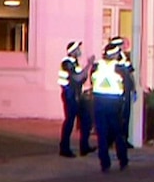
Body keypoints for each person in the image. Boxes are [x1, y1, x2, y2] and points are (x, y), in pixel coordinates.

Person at [91, 42, 128, 172]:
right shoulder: (119, 67)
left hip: (98, 101)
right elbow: (126, 81)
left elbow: (92, 80)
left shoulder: (96, 65)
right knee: (118, 133)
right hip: (114, 102)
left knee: (102, 133)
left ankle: (104, 163)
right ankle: (122, 160)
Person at [57, 40, 96, 157]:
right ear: (73, 51)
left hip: (78, 95)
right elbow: (77, 78)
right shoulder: (67, 63)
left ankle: (84, 147)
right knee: (70, 121)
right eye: (78, 49)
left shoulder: (75, 63)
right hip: (70, 95)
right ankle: (64, 148)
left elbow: (81, 78)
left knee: (86, 120)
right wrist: (89, 65)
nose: (80, 51)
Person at [108, 36, 136, 148]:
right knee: (114, 117)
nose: (123, 47)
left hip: (126, 90)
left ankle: (124, 139)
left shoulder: (124, 58)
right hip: (116, 92)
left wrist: (133, 88)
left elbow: (130, 73)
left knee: (125, 116)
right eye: (121, 45)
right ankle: (111, 139)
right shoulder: (111, 61)